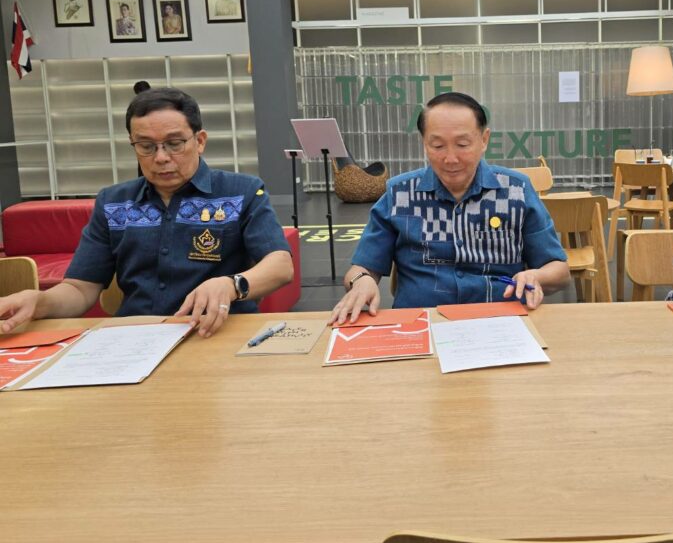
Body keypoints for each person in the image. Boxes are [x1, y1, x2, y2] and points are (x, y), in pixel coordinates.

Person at [0, 88, 294, 338]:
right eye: (146, 146)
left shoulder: (242, 192)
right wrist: (39, 301)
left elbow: (280, 265)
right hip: (137, 337)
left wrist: (232, 285)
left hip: (217, 332)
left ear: (200, 141)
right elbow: (80, 289)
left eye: (175, 144)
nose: (161, 157)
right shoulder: (113, 203)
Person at [330, 92, 570, 325]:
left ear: (484, 140)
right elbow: (362, 267)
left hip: (501, 320)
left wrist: (536, 276)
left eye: (462, 144)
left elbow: (559, 270)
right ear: (424, 143)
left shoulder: (516, 190)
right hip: (421, 322)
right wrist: (362, 280)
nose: (451, 159)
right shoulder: (399, 194)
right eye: (437, 146)